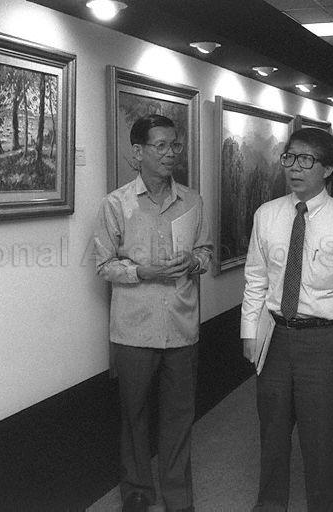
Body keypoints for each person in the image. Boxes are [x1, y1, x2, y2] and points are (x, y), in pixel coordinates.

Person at [240, 127, 333, 511]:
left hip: (325, 340)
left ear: (328, 169)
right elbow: (255, 279)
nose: (295, 168)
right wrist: (249, 331)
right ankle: (270, 505)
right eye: (290, 158)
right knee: (272, 432)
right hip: (276, 336)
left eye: (307, 160)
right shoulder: (267, 215)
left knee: (323, 438)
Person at [92, 114, 213, 512]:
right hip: (134, 332)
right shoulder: (117, 204)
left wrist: (192, 262)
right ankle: (138, 493)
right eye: (159, 146)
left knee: (180, 419)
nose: (169, 154)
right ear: (138, 152)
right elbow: (103, 264)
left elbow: (207, 252)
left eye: (174, 145)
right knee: (134, 417)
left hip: (181, 329)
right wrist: (143, 271)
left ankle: (178, 497)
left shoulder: (192, 200)